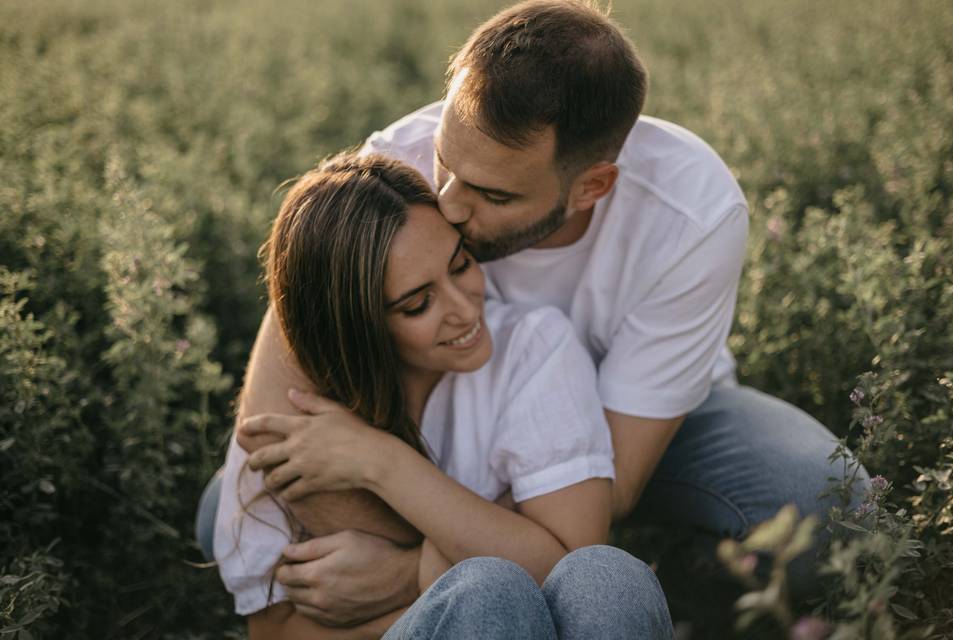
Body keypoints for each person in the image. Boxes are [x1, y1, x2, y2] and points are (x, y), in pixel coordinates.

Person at [204, 0, 869, 631]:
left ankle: (702, 588)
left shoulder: (692, 215)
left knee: (830, 505)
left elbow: (614, 489)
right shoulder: (395, 167)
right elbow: (272, 422)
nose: (451, 205)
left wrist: (418, 568)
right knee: (227, 513)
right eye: (446, 163)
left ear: (591, 187)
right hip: (454, 420)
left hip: (640, 423)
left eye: (492, 193)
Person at [214, 151, 673, 638]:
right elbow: (275, 631)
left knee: (609, 578)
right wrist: (445, 599)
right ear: (359, 328)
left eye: (461, 265)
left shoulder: (531, 348)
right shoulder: (297, 425)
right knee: (485, 592)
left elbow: (568, 564)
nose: (464, 308)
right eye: (418, 304)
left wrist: (382, 465)